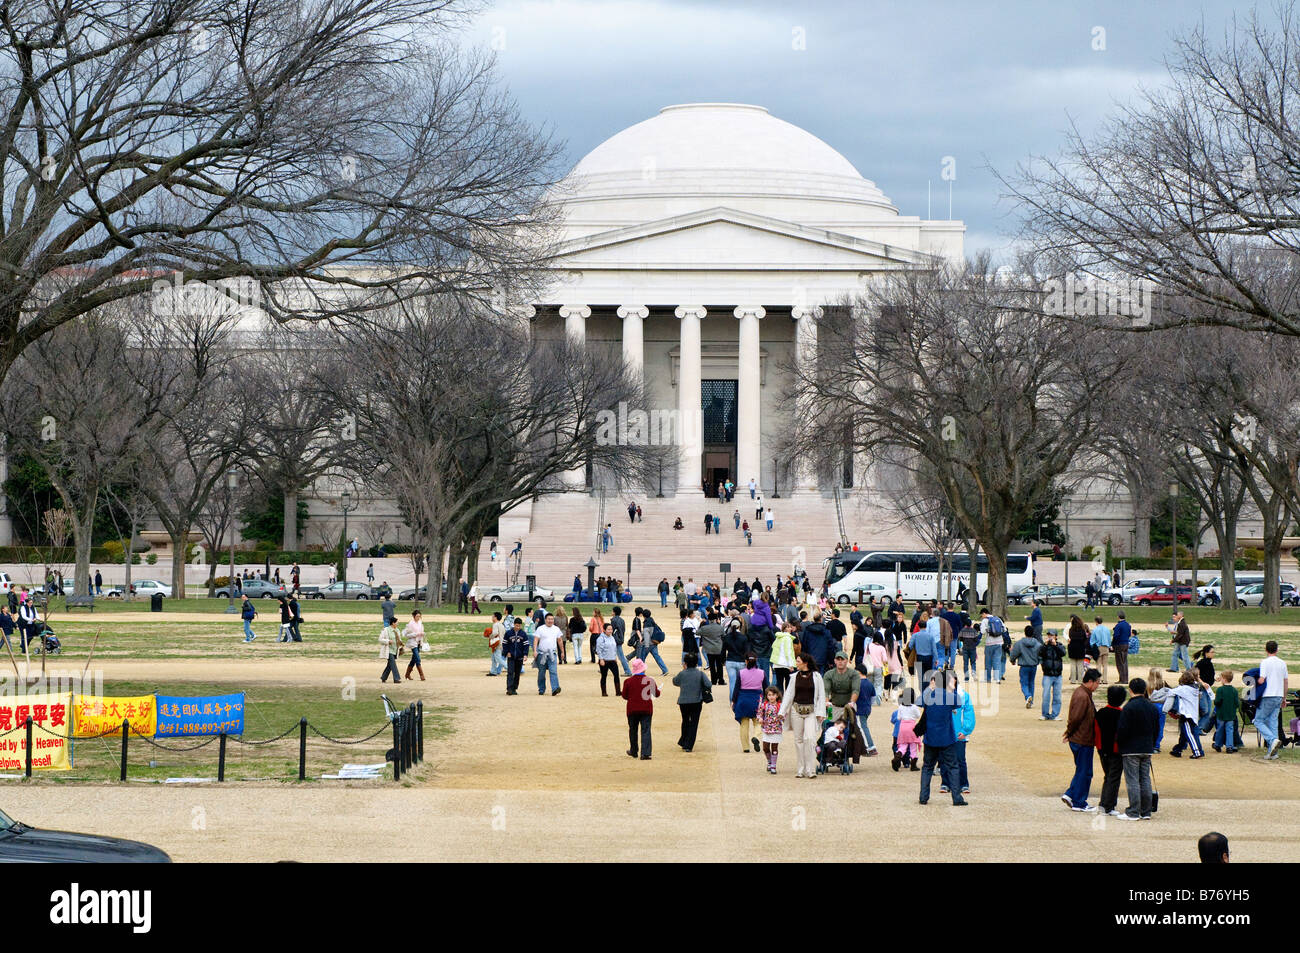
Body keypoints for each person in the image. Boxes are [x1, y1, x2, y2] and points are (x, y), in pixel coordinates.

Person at [916, 670, 968, 806]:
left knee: (927, 767)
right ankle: (957, 798)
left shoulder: (929, 695)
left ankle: (923, 797)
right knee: (953, 767)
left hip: (930, 738)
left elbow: (918, 702)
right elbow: (959, 703)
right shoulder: (950, 696)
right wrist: (952, 688)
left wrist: (929, 688)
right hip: (946, 738)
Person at [1115, 677, 1160, 821]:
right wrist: (1152, 744)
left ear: (1130, 690)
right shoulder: (1151, 706)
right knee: (1145, 779)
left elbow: (1122, 730)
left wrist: (1120, 743)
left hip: (1131, 748)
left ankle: (1133, 811)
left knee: (1132, 780)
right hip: (1147, 747)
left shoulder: (1128, 707)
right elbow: (1156, 729)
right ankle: (1145, 811)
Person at [778, 653, 825, 779]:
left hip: (811, 711)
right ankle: (801, 769)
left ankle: (810, 769)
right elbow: (788, 695)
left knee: (809, 739)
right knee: (798, 740)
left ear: (805, 662)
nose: (796, 663)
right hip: (796, 711)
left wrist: (821, 713)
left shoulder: (817, 676)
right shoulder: (794, 677)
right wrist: (782, 712)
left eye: (798, 661)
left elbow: (821, 695)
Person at [1062, 668, 1101, 812]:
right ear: (1090, 681)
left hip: (1081, 738)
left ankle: (1071, 794)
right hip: (1082, 739)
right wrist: (1069, 732)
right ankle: (1079, 802)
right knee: (1085, 772)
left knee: (1082, 770)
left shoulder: (1083, 693)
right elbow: (1075, 718)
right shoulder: (1082, 695)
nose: (1098, 686)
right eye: (1097, 683)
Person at [1095, 684, 1127, 816]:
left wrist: (1099, 748)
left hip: (1103, 750)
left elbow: (1097, 731)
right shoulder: (1121, 714)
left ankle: (1104, 803)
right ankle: (1108, 805)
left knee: (1108, 776)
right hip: (1115, 751)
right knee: (1114, 778)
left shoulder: (1101, 712)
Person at [1254, 640, 1288, 759]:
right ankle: (1273, 753)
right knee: (1273, 723)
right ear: (1277, 650)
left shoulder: (1265, 662)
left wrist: (1256, 682)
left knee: (1258, 720)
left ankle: (1272, 740)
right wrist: (1284, 697)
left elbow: (1262, 679)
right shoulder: (1282, 663)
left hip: (1268, 695)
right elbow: (1285, 681)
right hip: (1279, 695)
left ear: (1266, 650)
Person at [621, 658, 660, 760]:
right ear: (643, 669)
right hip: (646, 709)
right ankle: (645, 753)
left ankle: (634, 750)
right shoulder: (650, 680)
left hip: (632, 709)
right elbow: (657, 694)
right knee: (646, 730)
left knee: (633, 730)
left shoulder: (628, 681)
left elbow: (624, 695)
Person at [672, 652, 710, 751]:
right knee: (694, 723)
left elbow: (675, 681)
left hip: (683, 702)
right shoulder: (700, 673)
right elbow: (708, 684)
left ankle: (684, 740)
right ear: (696, 663)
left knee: (685, 721)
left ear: (685, 663)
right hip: (696, 701)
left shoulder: (682, 673)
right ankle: (689, 745)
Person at [1165, 670, 1204, 759]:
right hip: (1193, 714)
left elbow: (1171, 692)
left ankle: (1197, 752)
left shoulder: (1184, 689)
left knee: (1189, 734)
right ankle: (1177, 750)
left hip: (1186, 715)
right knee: (1184, 734)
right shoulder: (1195, 688)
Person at [733, 654, 766, 753]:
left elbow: (736, 688)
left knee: (744, 724)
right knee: (758, 722)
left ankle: (746, 747)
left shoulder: (741, 673)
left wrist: (734, 701)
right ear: (756, 661)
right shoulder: (762, 673)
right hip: (757, 699)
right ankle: (755, 736)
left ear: (746, 661)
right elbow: (766, 687)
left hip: (743, 699)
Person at [1009, 624, 1042, 708]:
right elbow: (1040, 655)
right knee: (1031, 683)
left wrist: (1012, 660)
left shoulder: (1019, 643)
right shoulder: (1037, 644)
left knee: (1024, 683)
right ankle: (1030, 701)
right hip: (1033, 666)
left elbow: (1014, 653)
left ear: (1025, 633)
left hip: (1024, 666)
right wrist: (1040, 662)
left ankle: (1028, 696)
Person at [891, 688, 922, 771]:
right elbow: (918, 716)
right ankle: (913, 765)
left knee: (902, 746)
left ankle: (896, 758)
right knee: (913, 747)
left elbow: (899, 717)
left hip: (903, 727)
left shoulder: (901, 707)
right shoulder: (914, 707)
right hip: (912, 727)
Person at [1039, 629, 1066, 720]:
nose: (1050, 637)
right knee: (1046, 695)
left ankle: (1055, 714)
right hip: (1047, 674)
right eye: (1049, 635)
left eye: (1052, 635)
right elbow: (1039, 653)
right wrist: (1045, 645)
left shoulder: (1060, 645)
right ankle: (1045, 714)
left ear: (1056, 637)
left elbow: (1063, 653)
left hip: (1058, 675)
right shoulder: (1045, 646)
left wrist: (1056, 645)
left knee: (1057, 696)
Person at [533, 612, 563, 696]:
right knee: (541, 673)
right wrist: (535, 651)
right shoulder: (540, 628)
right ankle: (541, 689)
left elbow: (560, 640)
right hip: (542, 654)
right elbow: (536, 640)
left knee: (553, 671)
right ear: (545, 620)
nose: (550, 621)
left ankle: (555, 688)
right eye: (549, 619)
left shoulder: (556, 629)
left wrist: (562, 652)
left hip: (552, 653)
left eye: (552, 619)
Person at [1212, 671, 1241, 753]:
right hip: (1231, 714)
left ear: (1224, 679)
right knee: (1229, 730)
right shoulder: (1234, 690)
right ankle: (1229, 747)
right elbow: (1237, 703)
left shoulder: (1220, 690)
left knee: (1220, 730)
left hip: (1221, 714)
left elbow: (1217, 702)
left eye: (1221, 678)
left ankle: (1218, 744)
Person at [758, 685, 784, 773]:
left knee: (774, 748)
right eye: (769, 695)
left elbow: (784, 715)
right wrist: (760, 718)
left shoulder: (780, 705)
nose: (771, 697)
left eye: (773, 695)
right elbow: (759, 713)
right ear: (767, 696)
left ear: (777, 695)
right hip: (766, 728)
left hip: (776, 729)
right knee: (765, 747)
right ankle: (769, 761)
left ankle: (773, 765)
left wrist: (782, 717)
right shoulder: (764, 705)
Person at [638, 608, 670, 676]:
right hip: (654, 643)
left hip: (648, 644)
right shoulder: (653, 621)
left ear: (644, 616)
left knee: (642, 657)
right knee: (657, 657)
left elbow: (646, 636)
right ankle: (665, 670)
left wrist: (646, 646)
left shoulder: (646, 623)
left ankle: (641, 672)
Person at [697, 611, 725, 686]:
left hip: (709, 649)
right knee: (719, 665)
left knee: (712, 665)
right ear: (716, 619)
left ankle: (714, 681)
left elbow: (697, 632)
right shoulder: (720, 628)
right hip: (718, 648)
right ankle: (721, 680)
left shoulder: (704, 628)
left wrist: (701, 624)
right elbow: (723, 635)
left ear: (709, 620)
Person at [503, 617, 529, 695]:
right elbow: (504, 644)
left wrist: (525, 654)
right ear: (514, 624)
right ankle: (509, 688)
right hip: (511, 656)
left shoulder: (523, 634)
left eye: (519, 626)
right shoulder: (508, 633)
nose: (518, 627)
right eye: (516, 625)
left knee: (517, 673)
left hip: (519, 657)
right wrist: (506, 652)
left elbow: (526, 645)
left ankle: (514, 688)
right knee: (510, 672)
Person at [980, 609, 1006, 682]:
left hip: (989, 643)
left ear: (984, 613)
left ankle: (987, 678)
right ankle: (997, 678)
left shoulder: (985, 621)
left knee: (988, 661)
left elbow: (982, 631)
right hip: (999, 642)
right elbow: (1004, 630)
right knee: (997, 661)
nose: (982, 617)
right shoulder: (998, 619)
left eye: (982, 615)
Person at [596, 622, 621, 697]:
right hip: (605, 660)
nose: (610, 631)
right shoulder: (601, 638)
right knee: (604, 675)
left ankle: (618, 691)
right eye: (608, 629)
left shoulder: (612, 637)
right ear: (604, 630)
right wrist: (601, 659)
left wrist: (615, 657)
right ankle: (604, 692)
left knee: (616, 675)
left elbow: (614, 648)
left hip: (612, 660)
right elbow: (599, 650)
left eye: (611, 629)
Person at [402, 610, 427, 681]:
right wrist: (416, 634)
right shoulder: (410, 624)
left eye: (419, 616)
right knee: (418, 659)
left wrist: (422, 633)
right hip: (413, 643)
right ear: (413, 616)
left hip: (419, 642)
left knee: (414, 659)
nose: (418, 618)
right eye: (417, 616)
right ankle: (422, 675)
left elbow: (421, 630)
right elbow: (407, 635)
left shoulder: (420, 623)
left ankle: (407, 674)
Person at [1066, 615, 1090, 683]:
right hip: (1080, 648)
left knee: (1073, 664)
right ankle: (1080, 680)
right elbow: (1085, 639)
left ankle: (1073, 680)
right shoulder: (1082, 630)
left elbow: (1070, 637)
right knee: (1080, 665)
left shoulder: (1071, 630)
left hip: (1072, 648)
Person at [379, 618, 403, 683]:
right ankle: (396, 678)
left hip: (395, 650)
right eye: (397, 622)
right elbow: (380, 639)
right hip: (388, 650)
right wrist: (388, 641)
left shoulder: (397, 630)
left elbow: (399, 639)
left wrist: (401, 643)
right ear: (393, 623)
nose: (398, 623)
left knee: (390, 665)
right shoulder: (386, 630)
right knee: (393, 664)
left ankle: (383, 677)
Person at [610, 605, 632, 676]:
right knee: (610, 654)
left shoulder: (613, 620)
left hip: (615, 640)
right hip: (620, 638)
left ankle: (628, 671)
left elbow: (611, 631)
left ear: (614, 612)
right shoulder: (622, 620)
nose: (611, 612)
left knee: (621, 656)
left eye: (612, 611)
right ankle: (604, 668)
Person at [1090, 616, 1113, 684]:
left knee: (1098, 664)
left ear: (1096, 622)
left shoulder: (1095, 630)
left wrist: (1092, 647)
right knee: (1105, 664)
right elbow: (1109, 639)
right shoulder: (1106, 629)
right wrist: (1109, 645)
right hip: (1106, 647)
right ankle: (1105, 680)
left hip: (1098, 647)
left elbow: (1092, 641)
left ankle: (1098, 679)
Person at [1112, 611, 1132, 684]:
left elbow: (1116, 636)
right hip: (1126, 644)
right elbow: (1129, 634)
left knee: (1119, 662)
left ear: (1118, 617)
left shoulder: (1118, 625)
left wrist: (1113, 644)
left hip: (1119, 644)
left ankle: (1122, 679)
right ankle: (1125, 678)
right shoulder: (1128, 625)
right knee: (1124, 662)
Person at [485, 612, 506, 676]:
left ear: (495, 617)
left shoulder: (495, 625)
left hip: (497, 644)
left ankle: (510, 669)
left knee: (498, 658)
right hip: (501, 643)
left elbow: (495, 633)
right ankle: (493, 671)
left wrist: (490, 636)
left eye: (493, 616)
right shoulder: (501, 625)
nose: (492, 618)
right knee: (494, 658)